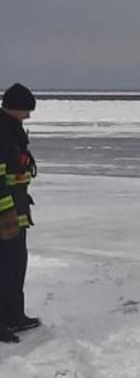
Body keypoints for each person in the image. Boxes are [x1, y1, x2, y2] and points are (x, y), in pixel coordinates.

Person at [0, 83, 40, 343]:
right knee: (4, 269)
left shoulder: (12, 130)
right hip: (6, 213)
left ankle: (15, 315)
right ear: (15, 107)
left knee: (16, 267)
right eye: (26, 110)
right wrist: (5, 213)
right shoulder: (1, 132)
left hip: (18, 209)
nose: (29, 115)